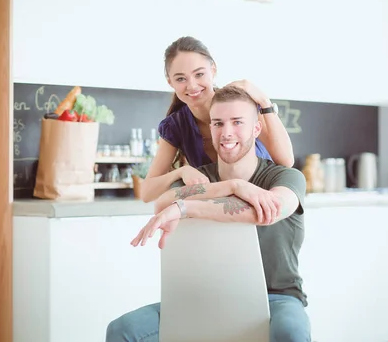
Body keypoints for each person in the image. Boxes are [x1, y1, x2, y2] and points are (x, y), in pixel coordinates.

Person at [106, 85, 311, 342]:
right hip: (205, 299)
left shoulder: (286, 176)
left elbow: (265, 211)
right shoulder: (199, 178)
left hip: (277, 297)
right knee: (122, 330)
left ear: (256, 128)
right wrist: (233, 186)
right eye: (218, 123)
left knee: (290, 334)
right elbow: (161, 204)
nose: (226, 133)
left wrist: (186, 207)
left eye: (237, 122)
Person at [140, 36, 295, 203]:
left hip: (263, 202)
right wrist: (181, 172)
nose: (192, 86)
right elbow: (147, 193)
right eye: (180, 79)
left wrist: (263, 101)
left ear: (213, 70)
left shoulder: (238, 104)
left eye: (199, 74)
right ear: (170, 82)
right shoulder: (176, 125)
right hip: (217, 215)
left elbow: (286, 161)